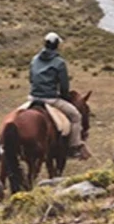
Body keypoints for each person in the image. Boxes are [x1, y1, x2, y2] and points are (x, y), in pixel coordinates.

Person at [28, 32, 90, 160]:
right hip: (50, 99)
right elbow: (64, 85)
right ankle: (74, 146)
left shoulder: (34, 59)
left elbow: (31, 78)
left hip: (33, 98)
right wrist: (64, 96)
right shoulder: (59, 62)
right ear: (57, 46)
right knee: (76, 116)